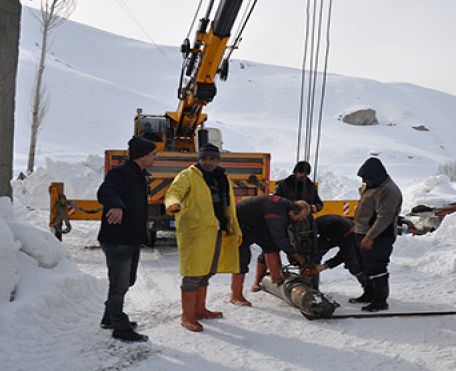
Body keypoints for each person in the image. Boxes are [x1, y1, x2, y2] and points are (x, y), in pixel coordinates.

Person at [165, 143, 242, 332]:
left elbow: (229, 205)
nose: (208, 162)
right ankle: (188, 316)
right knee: (193, 273)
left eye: (212, 158)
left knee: (207, 270)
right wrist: (173, 204)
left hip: (216, 230)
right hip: (195, 231)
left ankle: (200, 309)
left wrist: (236, 230)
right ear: (199, 159)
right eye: (204, 158)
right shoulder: (188, 175)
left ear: (217, 160)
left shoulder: (222, 177)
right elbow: (173, 193)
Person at [97, 136, 156, 343]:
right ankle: (120, 327)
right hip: (117, 237)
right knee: (119, 283)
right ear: (143, 156)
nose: (155, 157)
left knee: (126, 280)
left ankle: (109, 317)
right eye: (153, 154)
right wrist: (115, 205)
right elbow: (106, 190)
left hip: (130, 237)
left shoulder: (139, 175)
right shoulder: (120, 173)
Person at [249, 161, 324, 291]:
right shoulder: (283, 184)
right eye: (300, 172)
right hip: (283, 221)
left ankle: (306, 284)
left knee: (306, 251)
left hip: (303, 225)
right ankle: (257, 282)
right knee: (269, 248)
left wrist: (314, 207)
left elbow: (319, 203)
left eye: (305, 173)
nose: (302, 175)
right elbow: (274, 202)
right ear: (295, 172)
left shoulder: (310, 186)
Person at [229, 195, 311, 306]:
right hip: (240, 223)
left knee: (271, 245)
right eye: (301, 217)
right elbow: (279, 237)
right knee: (242, 258)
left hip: (256, 222)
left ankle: (276, 277)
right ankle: (236, 295)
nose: (301, 220)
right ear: (292, 213)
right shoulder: (276, 213)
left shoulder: (286, 206)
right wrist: (294, 254)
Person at [348, 157, 402, 312]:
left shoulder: (388, 191)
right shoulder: (372, 186)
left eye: (366, 178)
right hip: (362, 232)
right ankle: (369, 294)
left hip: (379, 236)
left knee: (376, 267)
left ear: (376, 176)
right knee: (364, 266)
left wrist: (370, 237)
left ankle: (380, 301)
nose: (364, 181)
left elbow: (384, 217)